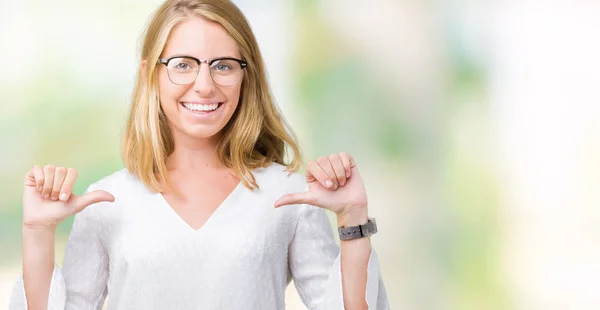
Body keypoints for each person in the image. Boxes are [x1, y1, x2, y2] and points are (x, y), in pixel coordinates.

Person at [10, 0, 389, 309]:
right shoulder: (107, 201)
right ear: (149, 75)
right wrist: (37, 233)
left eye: (223, 65)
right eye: (183, 65)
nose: (204, 85)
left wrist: (352, 220)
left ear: (246, 75)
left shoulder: (288, 195)